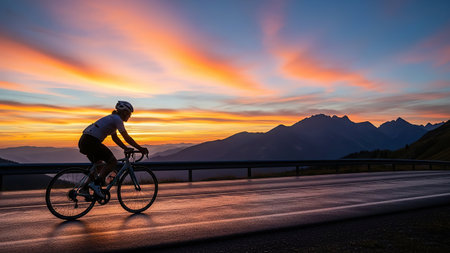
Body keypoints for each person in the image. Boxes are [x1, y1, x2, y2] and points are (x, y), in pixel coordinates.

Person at [78, 101, 148, 198]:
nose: (129, 116)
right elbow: (126, 137)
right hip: (92, 141)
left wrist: (125, 148)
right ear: (124, 112)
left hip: (84, 141)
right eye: (129, 114)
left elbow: (115, 138)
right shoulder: (117, 119)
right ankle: (96, 185)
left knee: (98, 166)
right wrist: (140, 148)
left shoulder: (112, 119)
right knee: (112, 161)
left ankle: (85, 189)